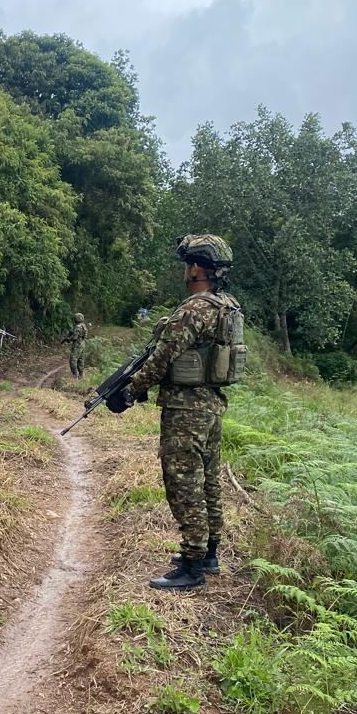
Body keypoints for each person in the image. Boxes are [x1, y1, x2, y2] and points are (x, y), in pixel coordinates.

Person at [105, 234, 244, 591]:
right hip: (211, 405)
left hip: (185, 410)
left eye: (187, 265)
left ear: (196, 268)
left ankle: (193, 565)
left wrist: (130, 392)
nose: (185, 271)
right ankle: (209, 553)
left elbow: (160, 359)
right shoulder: (227, 306)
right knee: (208, 480)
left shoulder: (194, 310)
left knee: (184, 482)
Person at [66, 312, 88, 379]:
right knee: (80, 360)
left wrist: (68, 339)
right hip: (82, 344)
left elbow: (74, 337)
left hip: (77, 345)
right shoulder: (83, 325)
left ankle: (75, 375)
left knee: (73, 360)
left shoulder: (78, 327)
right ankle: (81, 375)